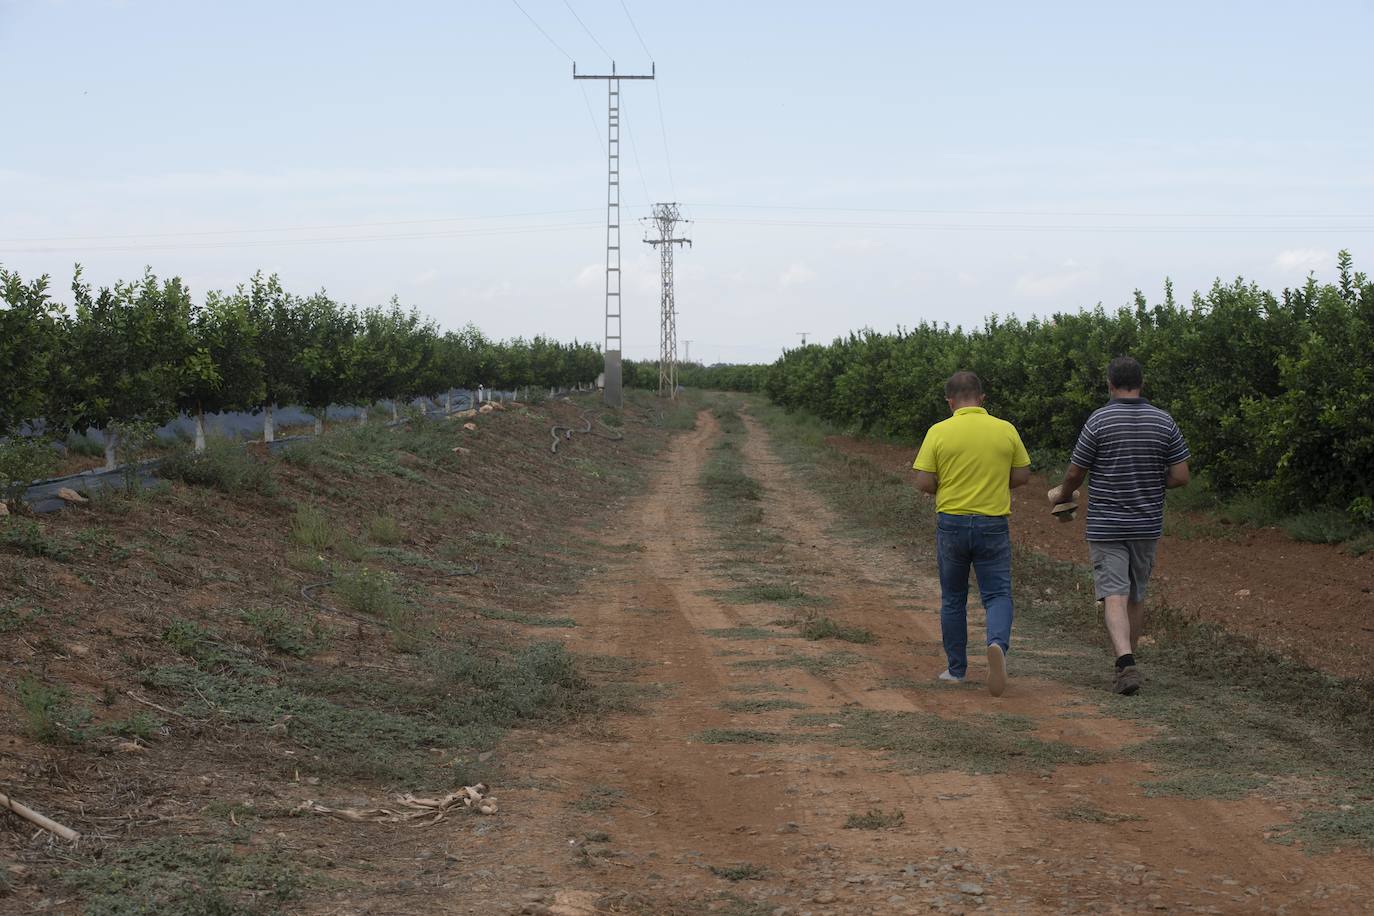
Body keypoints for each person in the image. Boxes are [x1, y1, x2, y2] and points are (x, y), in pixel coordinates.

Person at [1047, 356, 1190, 696]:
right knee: (1135, 595)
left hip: (1106, 524)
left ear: (1110, 384)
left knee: (1114, 593)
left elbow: (1076, 472)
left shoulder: (1099, 420)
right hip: (1146, 524)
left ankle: (1125, 662)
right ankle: (1128, 662)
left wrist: (1063, 495)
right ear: (1142, 383)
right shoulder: (1164, 421)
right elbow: (1181, 476)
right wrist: (1152, 480)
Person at [913, 371, 1031, 697]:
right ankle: (997, 645)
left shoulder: (938, 431)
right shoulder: (1005, 429)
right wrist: (995, 481)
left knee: (953, 597)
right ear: (982, 399)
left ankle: (956, 670)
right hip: (992, 523)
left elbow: (924, 481)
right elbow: (1022, 475)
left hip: (952, 522)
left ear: (950, 402)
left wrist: (947, 485)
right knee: (998, 594)